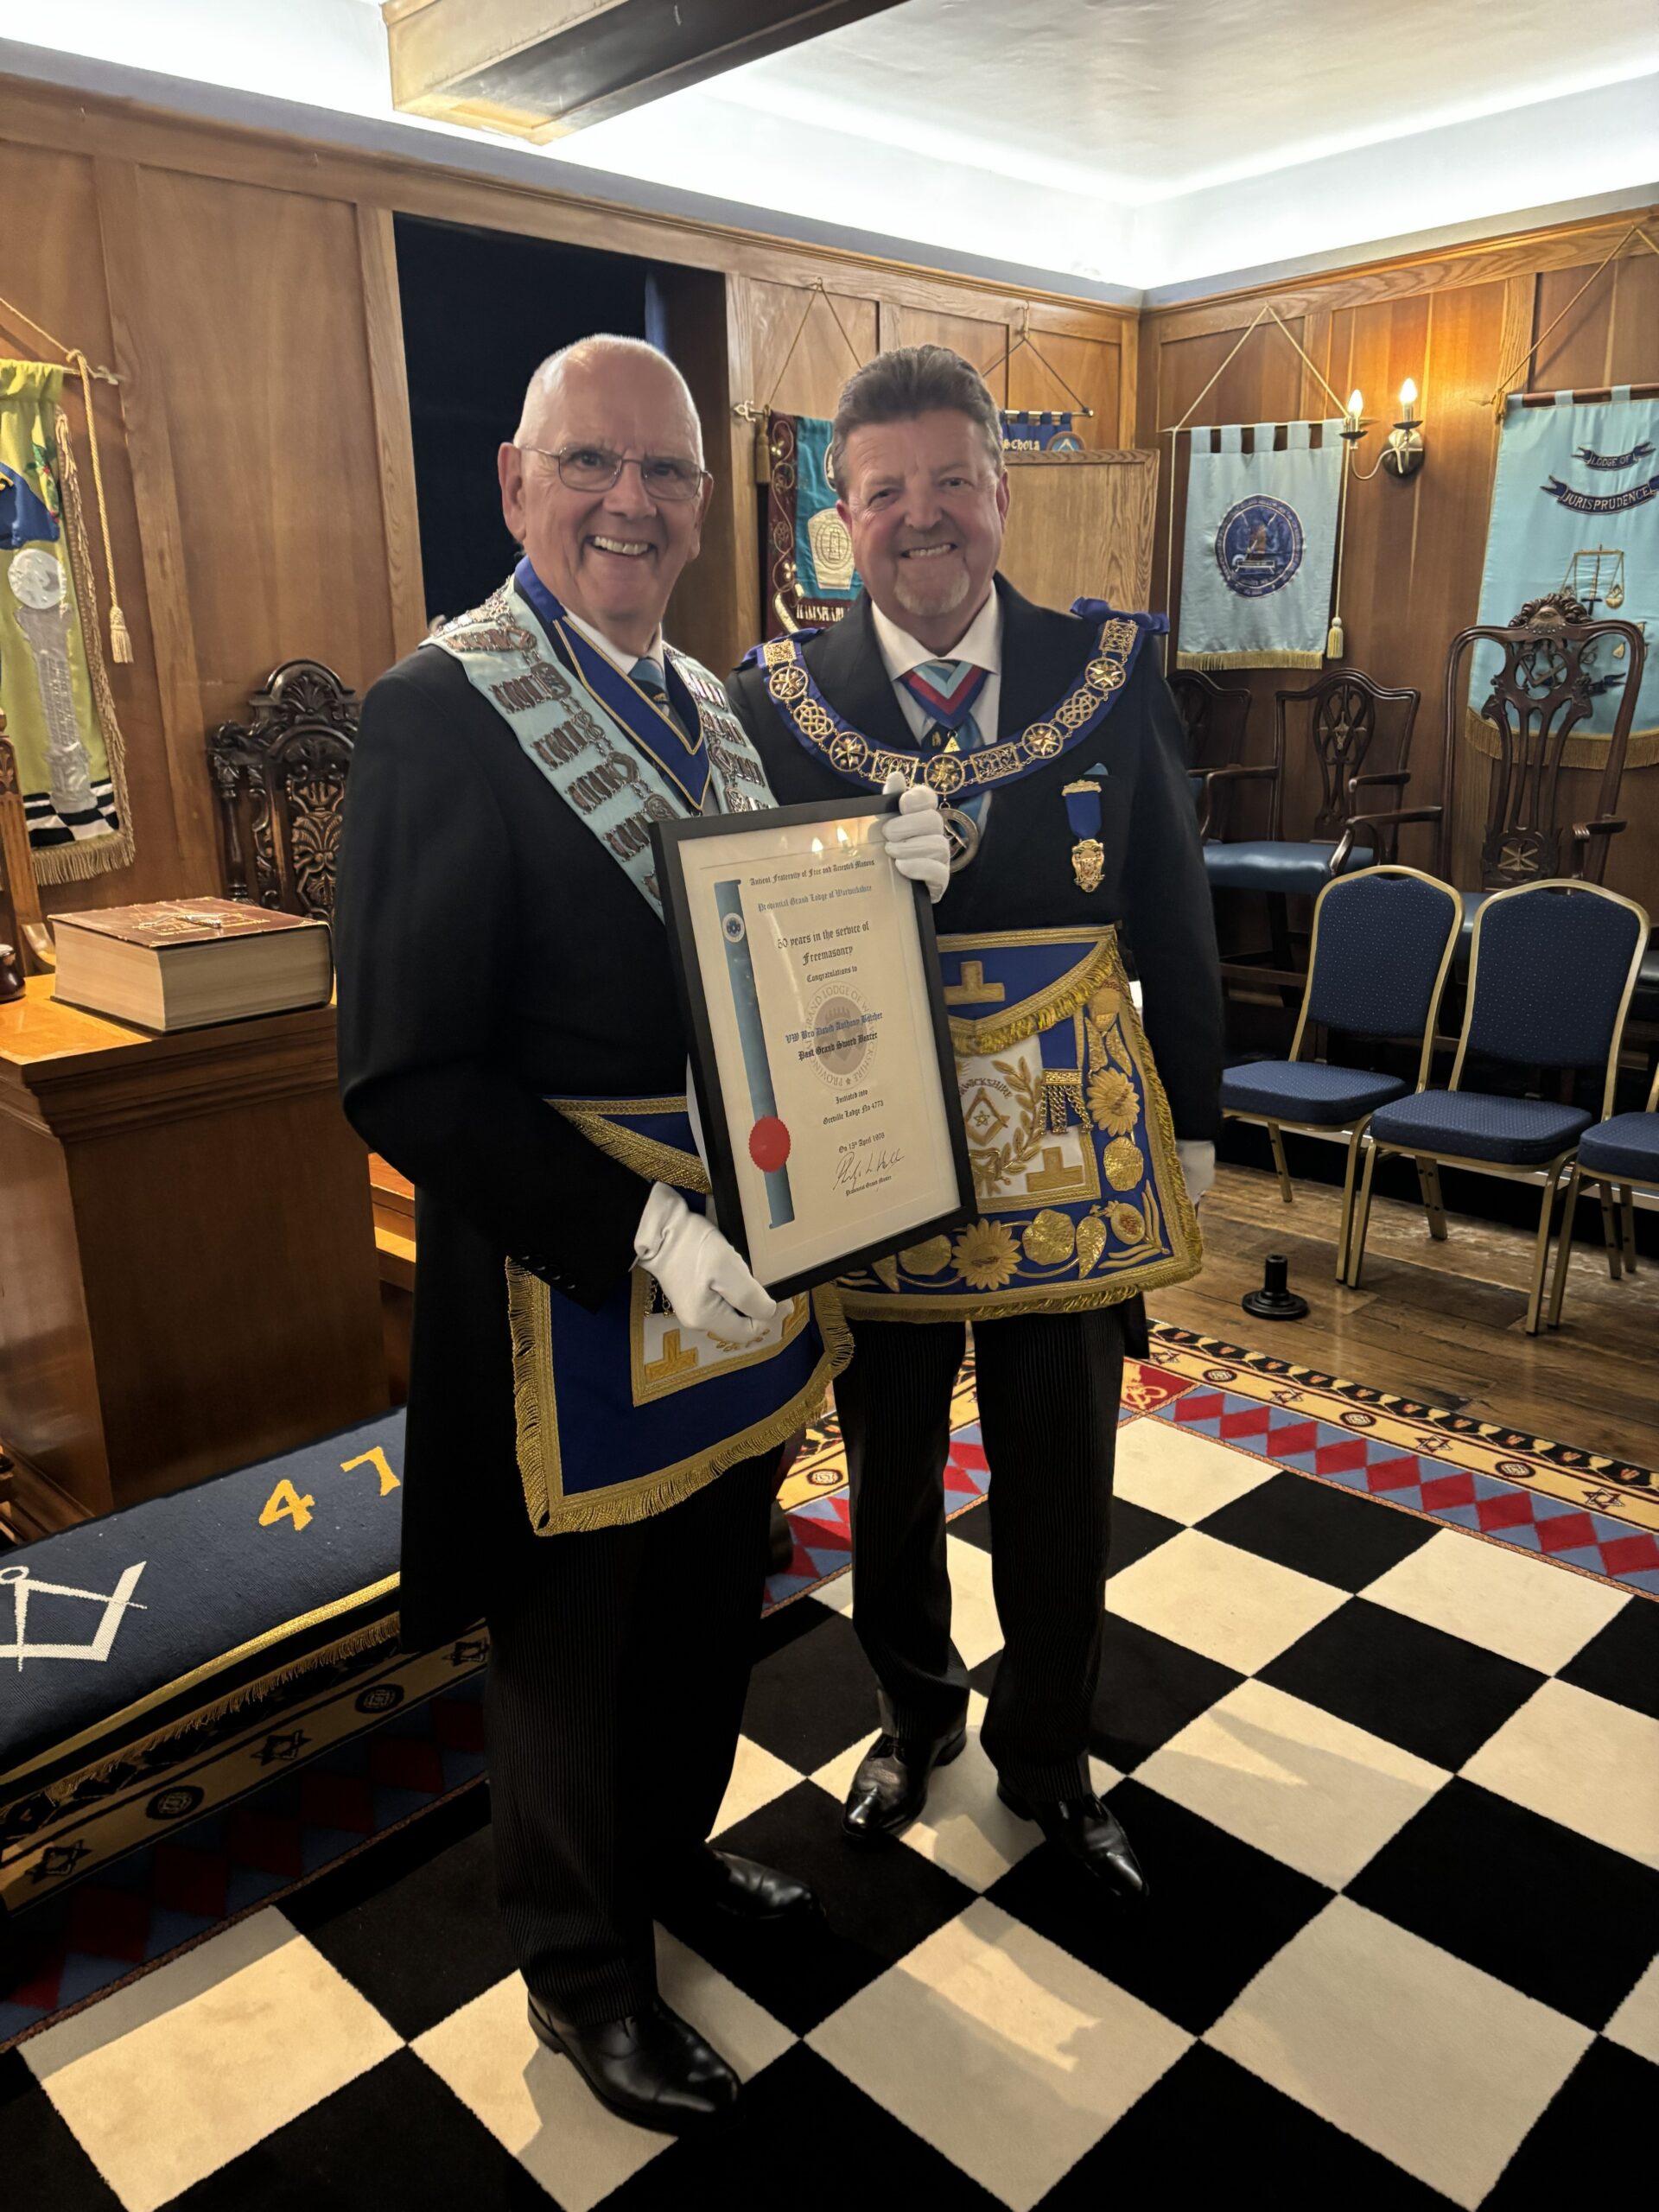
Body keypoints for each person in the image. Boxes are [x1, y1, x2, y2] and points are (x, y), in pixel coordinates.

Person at [335, 336, 944, 2130]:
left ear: (701, 505)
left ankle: (667, 1869)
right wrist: (639, 1232)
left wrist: (874, 871)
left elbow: (751, 954)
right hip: (572, 1282)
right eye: (594, 466)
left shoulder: (718, 703)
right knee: (572, 1646)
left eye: (668, 474)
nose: (634, 502)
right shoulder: (437, 712)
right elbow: (403, 1072)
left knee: (704, 1608)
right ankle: (583, 1968)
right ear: (518, 484)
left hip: (742, 1259)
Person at [728, 344, 1223, 1901]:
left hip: (1071, 1142)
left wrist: (1194, 1124)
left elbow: (1176, 912)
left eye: (952, 482)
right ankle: (911, 1713)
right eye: (886, 493)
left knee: (1062, 1469)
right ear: (842, 518)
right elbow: (741, 936)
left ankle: (1050, 1753)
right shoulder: (778, 698)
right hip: (871, 1141)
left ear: (1003, 495)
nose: (921, 517)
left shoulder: (1112, 670)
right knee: (884, 1467)